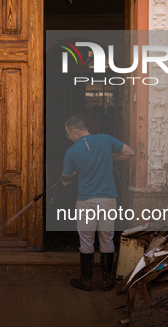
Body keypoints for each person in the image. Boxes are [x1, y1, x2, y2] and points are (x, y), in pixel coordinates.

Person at [62, 114, 135, 291]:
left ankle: (86, 281)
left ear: (74, 131)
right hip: (108, 199)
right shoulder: (105, 140)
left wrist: (71, 175)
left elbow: (65, 182)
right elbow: (130, 152)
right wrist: (108, 158)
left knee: (86, 241)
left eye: (68, 134)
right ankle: (106, 281)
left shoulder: (71, 151)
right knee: (107, 239)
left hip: (86, 201)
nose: (68, 138)